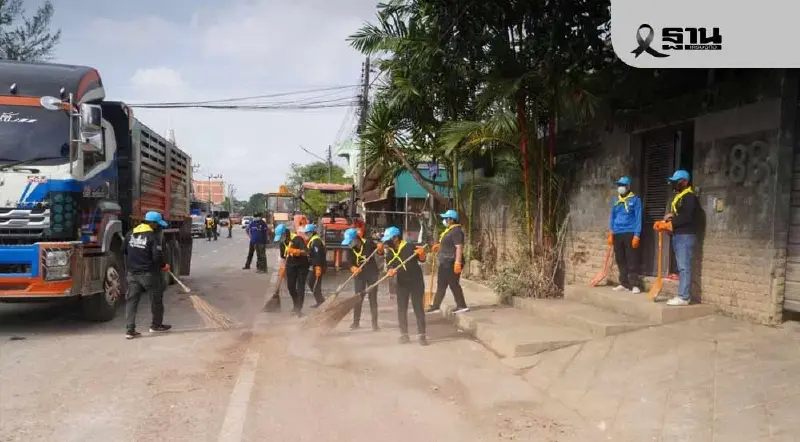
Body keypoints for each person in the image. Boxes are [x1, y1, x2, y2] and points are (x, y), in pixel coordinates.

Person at [122, 211, 172, 339]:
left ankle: (130, 330)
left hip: (132, 274)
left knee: (132, 301)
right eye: (158, 224)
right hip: (149, 274)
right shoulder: (152, 236)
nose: (158, 227)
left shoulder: (130, 234)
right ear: (153, 223)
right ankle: (156, 326)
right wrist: (163, 265)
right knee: (156, 300)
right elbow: (157, 256)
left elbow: (123, 250)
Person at [383, 226, 428, 345]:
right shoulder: (390, 253)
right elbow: (389, 266)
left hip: (416, 282)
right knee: (401, 309)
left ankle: (422, 335)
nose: (386, 242)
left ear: (395, 238)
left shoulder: (409, 246)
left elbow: (422, 259)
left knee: (418, 308)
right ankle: (404, 335)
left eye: (388, 239)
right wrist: (390, 271)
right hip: (402, 283)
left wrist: (422, 253)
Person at [664, 169, 698, 306]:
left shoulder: (689, 197)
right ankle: (682, 295)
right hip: (679, 235)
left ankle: (684, 297)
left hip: (685, 236)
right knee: (681, 267)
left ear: (685, 181)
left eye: (676, 182)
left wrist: (672, 223)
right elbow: (681, 213)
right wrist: (671, 216)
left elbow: (688, 216)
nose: (674, 184)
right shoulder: (681, 196)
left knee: (684, 267)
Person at [427, 209, 468, 314]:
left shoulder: (457, 231)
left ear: (451, 219)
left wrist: (457, 263)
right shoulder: (450, 231)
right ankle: (436, 305)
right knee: (441, 284)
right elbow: (448, 244)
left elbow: (459, 247)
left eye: (446, 218)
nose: (444, 220)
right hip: (444, 262)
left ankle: (462, 305)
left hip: (452, 262)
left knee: (453, 283)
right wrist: (439, 246)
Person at [608, 176, 643, 294]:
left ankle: (634, 284)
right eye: (619, 185)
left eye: (622, 185)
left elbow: (638, 218)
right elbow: (612, 217)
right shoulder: (615, 200)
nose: (620, 188)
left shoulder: (635, 200)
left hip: (630, 232)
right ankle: (624, 283)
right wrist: (611, 232)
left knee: (631, 259)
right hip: (618, 232)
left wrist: (637, 234)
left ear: (628, 187)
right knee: (620, 259)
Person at [342, 227, 380, 331]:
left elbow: (380, 252)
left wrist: (380, 248)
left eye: (350, 241)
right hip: (359, 275)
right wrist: (353, 267)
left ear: (356, 238)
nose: (349, 244)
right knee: (358, 298)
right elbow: (349, 262)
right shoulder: (350, 248)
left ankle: (375, 324)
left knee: (373, 298)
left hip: (372, 273)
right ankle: (356, 323)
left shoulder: (368, 243)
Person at [276, 221, 310, 316]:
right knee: (290, 286)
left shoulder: (297, 239)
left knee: (300, 287)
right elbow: (283, 257)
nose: (281, 239)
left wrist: (296, 251)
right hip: (291, 265)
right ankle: (296, 305)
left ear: (285, 233)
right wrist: (282, 268)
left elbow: (306, 252)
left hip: (302, 266)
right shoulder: (282, 243)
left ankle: (298, 309)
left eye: (281, 236)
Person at [304, 223, 327, 308]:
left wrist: (317, 267)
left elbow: (318, 256)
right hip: (315, 266)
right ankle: (320, 301)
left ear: (311, 232)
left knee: (313, 283)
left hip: (319, 266)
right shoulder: (312, 241)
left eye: (307, 233)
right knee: (312, 283)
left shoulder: (316, 242)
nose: (306, 234)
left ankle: (321, 301)